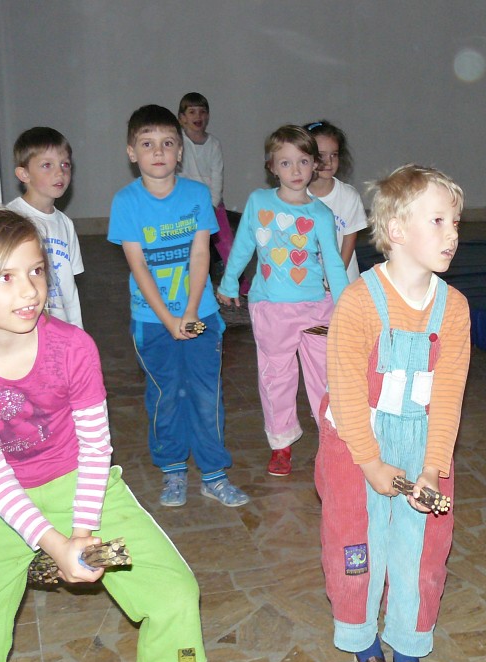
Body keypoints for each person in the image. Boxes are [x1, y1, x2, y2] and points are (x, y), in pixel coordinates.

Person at [0, 205, 207, 662]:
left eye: (36, 270)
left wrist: (81, 532)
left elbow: (94, 448)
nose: (29, 290)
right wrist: (52, 543)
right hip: (2, 504)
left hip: (85, 488)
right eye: (5, 277)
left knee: (174, 593)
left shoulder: (73, 347)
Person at [315, 165, 470, 662]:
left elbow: (448, 395)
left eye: (455, 222)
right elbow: (345, 392)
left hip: (422, 441)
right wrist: (371, 462)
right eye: (438, 221)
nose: (452, 233)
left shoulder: (454, 308)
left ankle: (408, 645)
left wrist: (432, 468)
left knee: (421, 549)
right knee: (357, 545)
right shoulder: (359, 302)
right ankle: (363, 643)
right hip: (357, 443)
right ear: (397, 230)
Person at [108, 104, 249, 508]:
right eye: (147, 144)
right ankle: (172, 470)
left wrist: (189, 312)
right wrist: (168, 318)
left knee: (205, 393)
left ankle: (213, 474)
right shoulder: (126, 202)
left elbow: (201, 254)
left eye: (168, 143)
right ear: (132, 152)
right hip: (152, 321)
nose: (158, 151)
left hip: (200, 316)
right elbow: (138, 267)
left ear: (180, 151)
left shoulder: (196, 195)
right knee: (166, 394)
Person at [216, 125, 349, 477]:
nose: (295, 170)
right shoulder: (259, 203)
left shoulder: (320, 214)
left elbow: (333, 262)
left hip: (317, 308)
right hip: (272, 309)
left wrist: (346, 306)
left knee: (326, 377)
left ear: (314, 164)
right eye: (286, 163)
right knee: (276, 377)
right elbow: (244, 244)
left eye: (303, 161)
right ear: (272, 167)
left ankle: (332, 439)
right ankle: (281, 443)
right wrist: (229, 282)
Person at [6, 127, 85, 328]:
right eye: (47, 165)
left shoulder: (65, 224)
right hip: (28, 326)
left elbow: (69, 287)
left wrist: (76, 329)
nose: (60, 172)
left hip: (61, 327)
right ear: (24, 174)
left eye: (65, 164)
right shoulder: (11, 220)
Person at [176, 92, 242, 290]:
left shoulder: (213, 144)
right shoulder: (178, 143)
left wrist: (212, 204)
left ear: (208, 116)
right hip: (186, 203)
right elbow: (178, 174)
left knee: (226, 243)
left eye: (203, 112)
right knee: (187, 243)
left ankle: (236, 282)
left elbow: (217, 175)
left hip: (211, 202)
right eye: (192, 112)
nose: (198, 116)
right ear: (182, 118)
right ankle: (187, 277)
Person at [305, 120, 368, 285]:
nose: (329, 161)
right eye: (321, 155)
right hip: (307, 284)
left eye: (334, 154)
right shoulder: (295, 197)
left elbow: (349, 243)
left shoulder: (348, 196)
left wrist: (333, 281)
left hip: (342, 282)